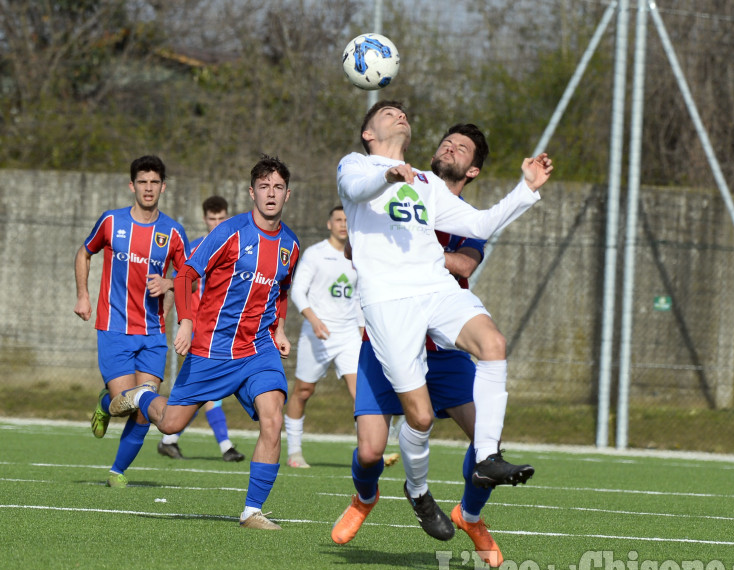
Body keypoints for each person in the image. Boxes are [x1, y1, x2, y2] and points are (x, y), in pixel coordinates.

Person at [333, 101, 552, 542]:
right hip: (389, 304)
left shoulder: (427, 183)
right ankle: (417, 493)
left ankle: (487, 458)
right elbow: (357, 188)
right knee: (419, 418)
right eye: (387, 112)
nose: (399, 114)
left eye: (402, 112)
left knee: (493, 343)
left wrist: (525, 189)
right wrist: (387, 174)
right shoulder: (356, 164)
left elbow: (480, 223)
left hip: (435, 289)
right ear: (368, 134)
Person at [108, 156, 300, 530]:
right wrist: (186, 321)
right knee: (169, 424)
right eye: (264, 187)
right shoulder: (230, 232)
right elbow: (184, 275)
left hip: (257, 349)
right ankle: (143, 397)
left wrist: (278, 329)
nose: (271, 194)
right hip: (212, 349)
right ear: (252, 192)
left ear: (287, 194)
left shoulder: (290, 246)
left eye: (278, 187)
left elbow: (281, 291)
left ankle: (251, 512)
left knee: (273, 418)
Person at [75, 155, 190, 488]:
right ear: (132, 186)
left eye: (155, 182)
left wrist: (169, 283)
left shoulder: (173, 232)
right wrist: (83, 295)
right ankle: (104, 403)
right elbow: (84, 252)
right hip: (114, 329)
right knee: (124, 404)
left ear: (163, 187)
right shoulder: (111, 222)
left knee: (145, 406)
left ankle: (117, 471)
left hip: (153, 334)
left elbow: (188, 276)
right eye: (143, 182)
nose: (149, 188)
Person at [157, 195, 245, 463]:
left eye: (221, 218)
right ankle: (225, 446)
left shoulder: (238, 250)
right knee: (208, 388)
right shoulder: (196, 248)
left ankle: (169, 439)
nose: (216, 223)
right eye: (212, 218)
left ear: (227, 217)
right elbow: (181, 279)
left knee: (204, 389)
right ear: (205, 219)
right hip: (196, 329)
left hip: (222, 329)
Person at [283, 206, 364, 468]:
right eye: (338, 220)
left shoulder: (360, 255)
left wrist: (363, 329)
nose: (343, 224)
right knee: (303, 391)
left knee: (361, 393)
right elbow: (298, 292)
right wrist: (314, 320)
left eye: (347, 221)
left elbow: (361, 296)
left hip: (349, 333)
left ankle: (368, 452)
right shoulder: (315, 253)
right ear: (329, 224)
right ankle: (294, 452)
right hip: (317, 334)